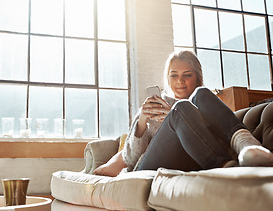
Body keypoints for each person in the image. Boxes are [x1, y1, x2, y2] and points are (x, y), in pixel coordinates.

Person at [94, 50, 273, 177]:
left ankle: (247, 146)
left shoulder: (206, 102)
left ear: (197, 77)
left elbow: (214, 141)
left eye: (187, 75)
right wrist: (142, 121)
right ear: (168, 78)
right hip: (148, 166)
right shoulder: (152, 108)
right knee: (181, 108)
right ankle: (224, 167)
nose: (180, 81)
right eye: (174, 75)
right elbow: (131, 160)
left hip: (194, 160)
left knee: (200, 95)